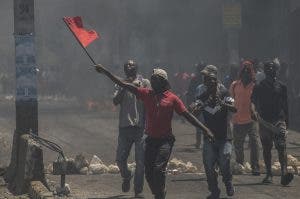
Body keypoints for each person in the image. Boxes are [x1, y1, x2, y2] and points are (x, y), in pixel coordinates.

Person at [94, 64, 214, 199]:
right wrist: (105, 71)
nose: (152, 82)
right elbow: (123, 83)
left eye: (156, 79)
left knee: (158, 169)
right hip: (150, 140)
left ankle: (160, 193)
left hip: (165, 141)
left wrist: (205, 129)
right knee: (149, 174)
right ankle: (159, 193)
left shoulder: (172, 98)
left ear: (163, 81)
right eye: (152, 79)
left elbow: (187, 115)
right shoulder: (146, 94)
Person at [190, 65, 237, 199]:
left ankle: (228, 181)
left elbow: (234, 108)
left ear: (216, 79)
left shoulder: (223, 91)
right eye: (205, 78)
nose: (206, 81)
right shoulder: (201, 92)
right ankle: (214, 190)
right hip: (209, 135)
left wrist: (222, 103)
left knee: (224, 161)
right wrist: (204, 102)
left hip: (224, 134)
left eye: (210, 79)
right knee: (209, 165)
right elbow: (193, 111)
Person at [251, 60, 293, 185]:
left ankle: (284, 173)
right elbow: (253, 100)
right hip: (264, 120)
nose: (270, 71)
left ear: (276, 71)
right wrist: (253, 111)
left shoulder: (282, 86)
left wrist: (287, 121)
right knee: (266, 147)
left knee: (281, 146)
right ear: (265, 71)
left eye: (272, 69)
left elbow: (285, 106)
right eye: (268, 69)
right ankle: (269, 174)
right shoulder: (259, 86)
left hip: (279, 120)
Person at [113, 60, 149, 197]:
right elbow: (115, 101)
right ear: (124, 69)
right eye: (127, 65)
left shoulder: (145, 82)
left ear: (137, 68)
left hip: (141, 128)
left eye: (132, 64)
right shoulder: (119, 82)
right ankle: (127, 176)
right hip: (124, 126)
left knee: (141, 162)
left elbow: (149, 99)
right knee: (120, 159)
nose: (129, 66)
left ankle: (138, 191)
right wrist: (124, 85)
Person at [230, 60, 260, 176]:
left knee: (254, 143)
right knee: (238, 145)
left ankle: (255, 167)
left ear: (251, 73)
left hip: (251, 120)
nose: (246, 73)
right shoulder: (234, 85)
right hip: (237, 119)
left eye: (248, 71)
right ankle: (239, 165)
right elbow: (231, 100)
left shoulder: (255, 86)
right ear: (241, 73)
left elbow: (258, 101)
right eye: (244, 71)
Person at [186, 61, 206, 148]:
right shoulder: (207, 78)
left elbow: (190, 92)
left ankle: (199, 143)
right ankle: (203, 142)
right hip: (204, 104)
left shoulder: (195, 79)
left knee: (199, 124)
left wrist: (190, 103)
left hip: (199, 104)